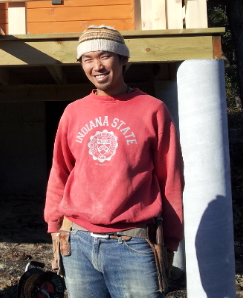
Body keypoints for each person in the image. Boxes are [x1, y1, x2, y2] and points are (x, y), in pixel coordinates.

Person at [44, 25, 184, 298]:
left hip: (134, 244)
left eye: (105, 56)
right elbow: (60, 172)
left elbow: (171, 180)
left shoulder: (153, 110)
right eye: (87, 59)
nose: (96, 66)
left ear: (123, 59)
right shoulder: (73, 112)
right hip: (77, 243)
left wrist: (170, 241)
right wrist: (54, 226)